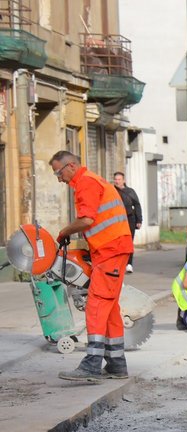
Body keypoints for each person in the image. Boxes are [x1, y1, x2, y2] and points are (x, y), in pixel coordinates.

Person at [50, 150, 134, 383]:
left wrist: (64, 231)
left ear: (72, 166)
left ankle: (91, 366)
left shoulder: (85, 182)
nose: (59, 178)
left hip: (110, 251)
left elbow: (87, 219)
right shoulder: (93, 181)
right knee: (109, 309)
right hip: (112, 250)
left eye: (59, 172)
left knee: (96, 305)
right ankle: (117, 364)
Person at [113, 171, 142, 273]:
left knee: (129, 242)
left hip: (130, 219)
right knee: (117, 243)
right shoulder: (112, 191)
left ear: (123, 180)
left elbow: (137, 205)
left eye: (119, 179)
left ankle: (129, 264)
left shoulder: (130, 191)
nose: (117, 181)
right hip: (116, 220)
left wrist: (139, 220)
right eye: (115, 179)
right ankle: (118, 264)